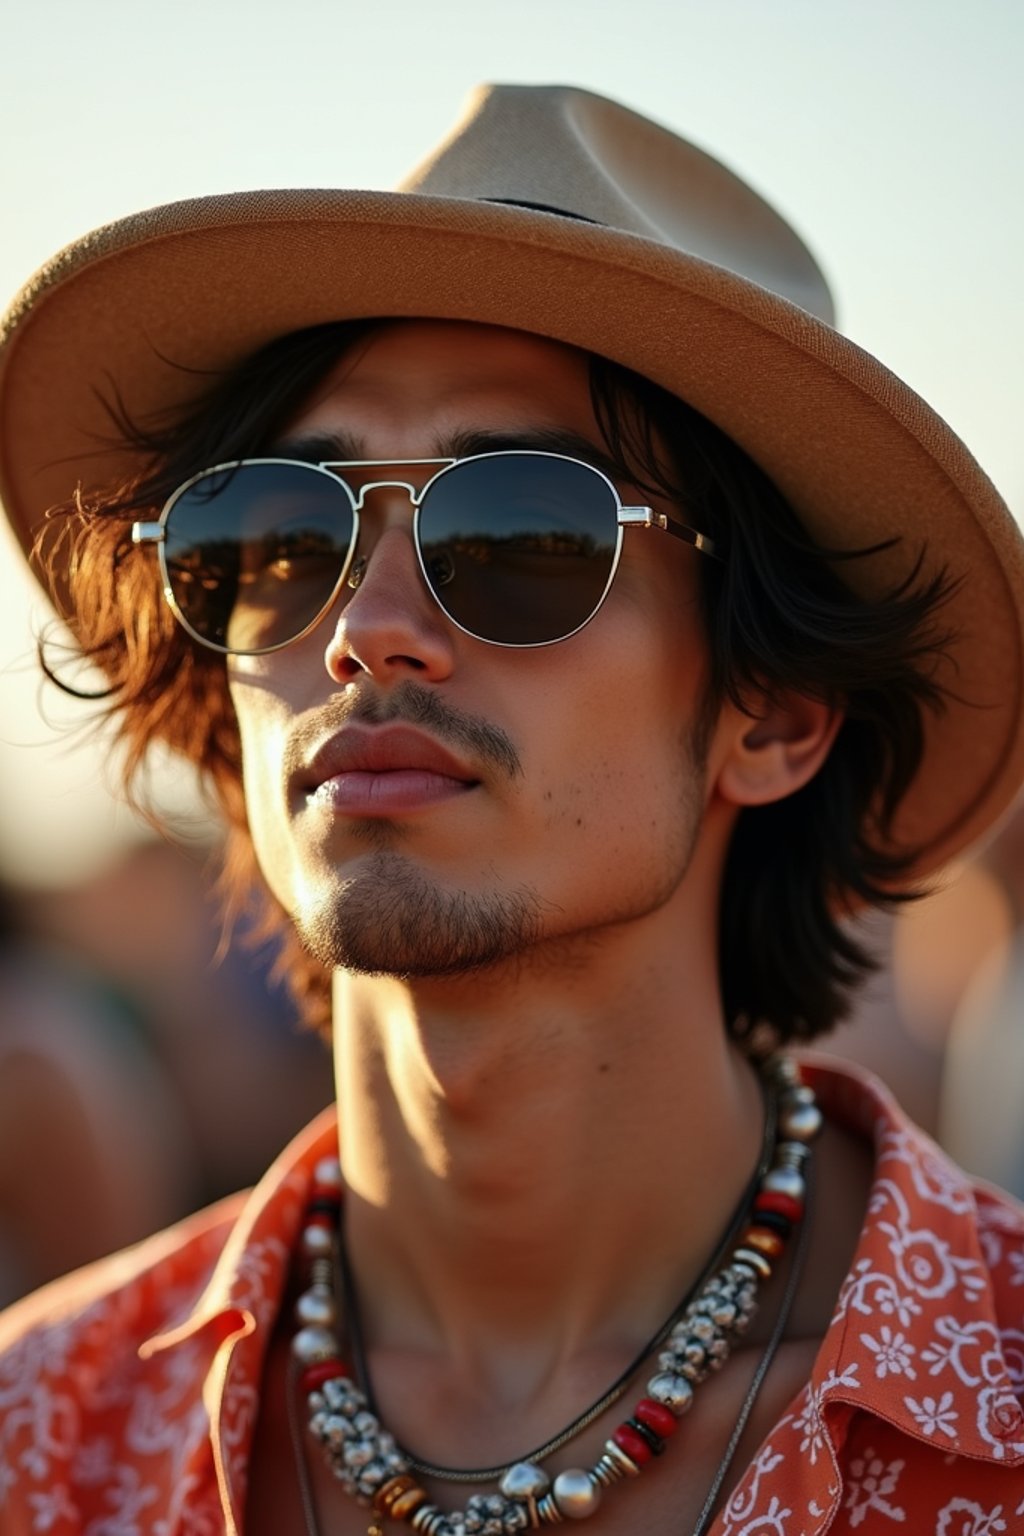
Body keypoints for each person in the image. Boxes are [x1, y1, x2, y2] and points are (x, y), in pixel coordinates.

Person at [0, 83, 1022, 1536]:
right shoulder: (42, 1435)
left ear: (777, 713)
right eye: (280, 536)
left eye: (525, 535)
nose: (367, 629)